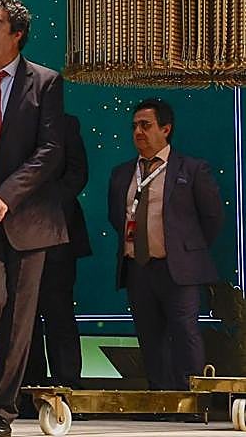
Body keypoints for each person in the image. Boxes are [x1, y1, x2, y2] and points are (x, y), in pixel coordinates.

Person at [0, 0, 66, 437]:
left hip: (26, 216)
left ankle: (0, 414)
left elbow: (50, 152)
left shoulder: (45, 82)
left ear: (17, 34)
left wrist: (6, 195)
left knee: (20, 321)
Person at [107, 98, 223, 390]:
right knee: (149, 335)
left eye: (145, 126)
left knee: (185, 332)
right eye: (134, 126)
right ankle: (160, 397)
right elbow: (115, 217)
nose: (138, 132)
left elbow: (212, 218)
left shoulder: (193, 169)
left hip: (178, 270)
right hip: (138, 268)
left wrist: (186, 249)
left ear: (166, 129)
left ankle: (194, 399)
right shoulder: (122, 174)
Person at [24, 113, 91, 391]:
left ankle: (68, 387)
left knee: (59, 312)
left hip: (58, 233)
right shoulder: (7, 122)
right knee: (22, 317)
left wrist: (44, 204)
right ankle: (28, 389)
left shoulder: (66, 123)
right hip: (17, 232)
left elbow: (78, 174)